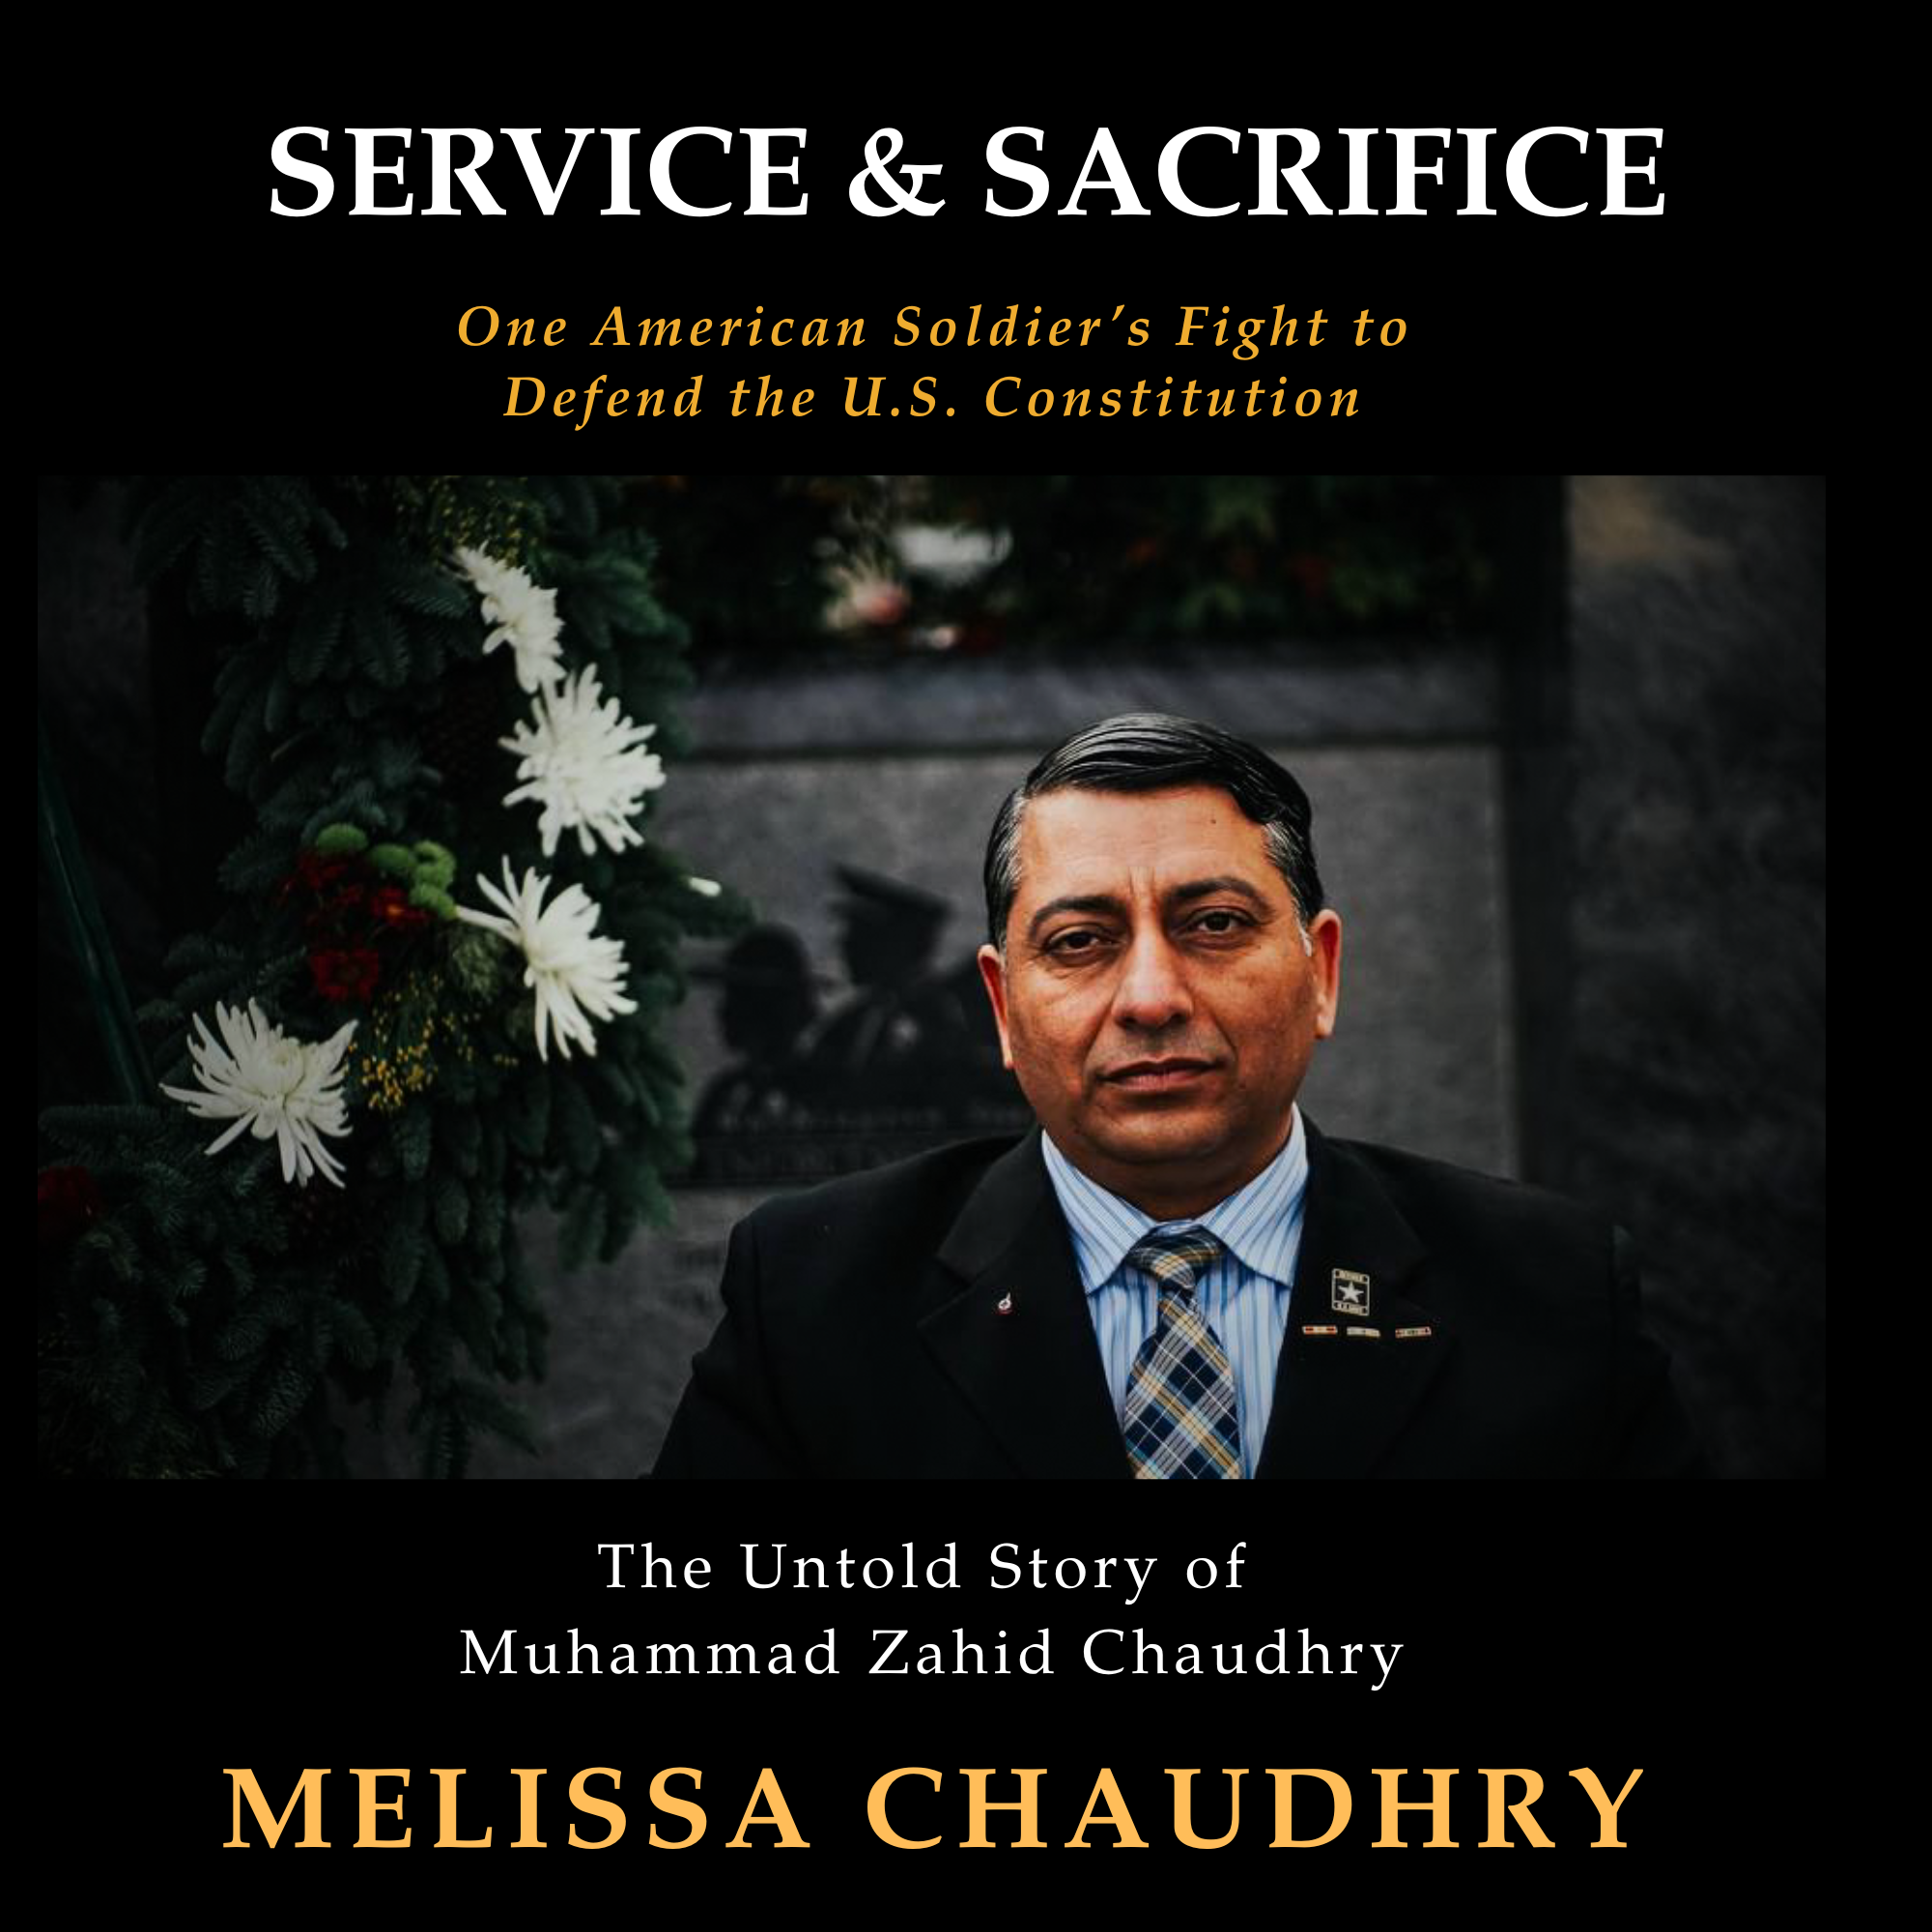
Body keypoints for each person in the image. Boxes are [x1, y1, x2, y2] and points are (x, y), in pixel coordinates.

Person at [653, 713, 1704, 1478]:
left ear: (1321, 971)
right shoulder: (813, 1299)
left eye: (1213, 925)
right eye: (1080, 941)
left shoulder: (1552, 1294)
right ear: (1002, 1007)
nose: (1151, 997)